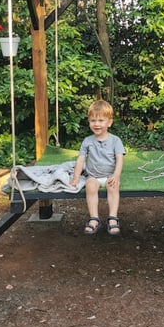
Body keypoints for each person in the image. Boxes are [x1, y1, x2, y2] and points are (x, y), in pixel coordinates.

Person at [70, 100, 125, 235]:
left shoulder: (115, 140)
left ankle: (113, 218)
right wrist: (76, 178)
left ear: (109, 122)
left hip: (110, 175)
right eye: (93, 120)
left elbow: (119, 159)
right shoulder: (87, 141)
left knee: (113, 186)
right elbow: (81, 159)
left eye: (101, 120)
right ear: (89, 122)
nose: (96, 124)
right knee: (90, 186)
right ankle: (94, 218)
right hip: (93, 175)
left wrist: (116, 175)